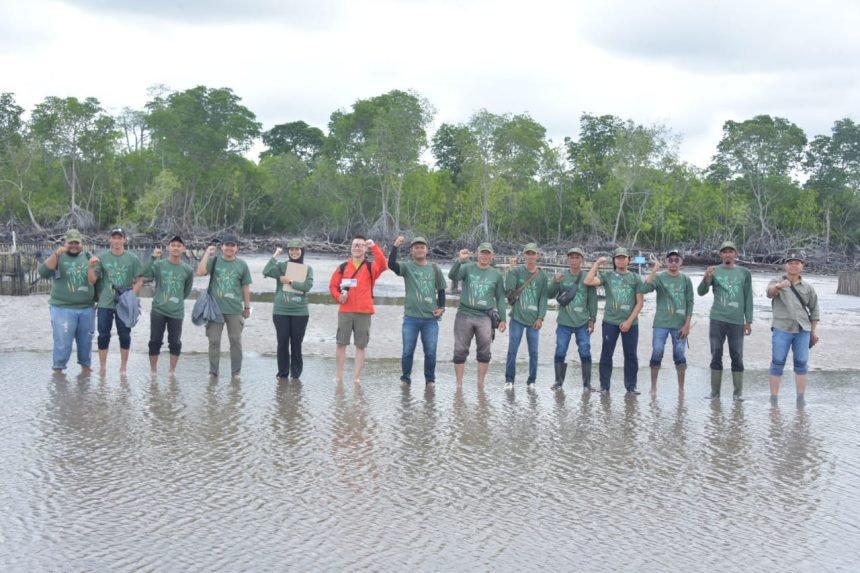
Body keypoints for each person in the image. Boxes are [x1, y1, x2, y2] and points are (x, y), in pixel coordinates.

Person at [583, 247, 645, 395]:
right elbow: (588, 280)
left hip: (631, 323)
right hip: (610, 321)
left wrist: (629, 321)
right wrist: (597, 265)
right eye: (618, 258)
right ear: (614, 260)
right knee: (606, 354)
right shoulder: (608, 276)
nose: (621, 260)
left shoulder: (635, 278)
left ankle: (631, 387)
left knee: (631, 355)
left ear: (629, 260)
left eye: (624, 257)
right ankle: (604, 386)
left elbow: (640, 303)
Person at [697, 240, 753, 400]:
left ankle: (738, 394)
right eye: (724, 252)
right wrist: (706, 277)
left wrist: (748, 320)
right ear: (720, 255)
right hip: (717, 319)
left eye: (731, 251)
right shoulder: (714, 270)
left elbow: (748, 298)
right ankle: (715, 393)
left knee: (737, 356)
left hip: (736, 322)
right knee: (716, 354)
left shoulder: (744, 273)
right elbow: (701, 292)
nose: (728, 254)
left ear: (736, 254)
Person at [329, 235, 388, 384]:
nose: (357, 248)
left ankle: (356, 378)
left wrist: (374, 246)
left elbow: (383, 264)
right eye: (355, 245)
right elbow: (332, 286)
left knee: (361, 345)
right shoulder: (343, 267)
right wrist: (338, 297)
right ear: (351, 247)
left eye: (361, 245)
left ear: (365, 249)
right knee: (341, 343)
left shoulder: (370, 267)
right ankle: (339, 377)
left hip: (364, 311)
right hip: (345, 311)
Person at [389, 236, 446, 387]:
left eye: (422, 247)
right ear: (411, 251)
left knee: (431, 352)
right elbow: (391, 265)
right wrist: (395, 246)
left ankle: (430, 380)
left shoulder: (434, 268)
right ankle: (405, 378)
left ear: (427, 250)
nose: (419, 250)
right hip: (411, 318)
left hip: (430, 319)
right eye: (416, 247)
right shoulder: (407, 267)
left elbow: (441, 289)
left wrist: (442, 307)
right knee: (408, 351)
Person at [38, 229, 96, 373]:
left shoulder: (89, 257)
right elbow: (43, 273)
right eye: (71, 243)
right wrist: (56, 255)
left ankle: (85, 370)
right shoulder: (58, 257)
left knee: (86, 343)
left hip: (87, 308)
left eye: (77, 242)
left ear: (82, 244)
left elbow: (97, 282)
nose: (74, 245)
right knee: (63, 343)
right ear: (65, 243)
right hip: (62, 308)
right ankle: (58, 371)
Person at [448, 243, 507, 386]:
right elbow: (453, 276)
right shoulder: (467, 268)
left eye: (488, 253)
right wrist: (459, 261)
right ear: (477, 254)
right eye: (482, 253)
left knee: (484, 351)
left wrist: (503, 319)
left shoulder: (496, 275)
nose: (485, 256)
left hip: (485, 316)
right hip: (464, 313)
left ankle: (480, 384)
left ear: (492, 256)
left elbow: (500, 298)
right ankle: (459, 384)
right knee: (460, 350)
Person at [87, 227, 143, 374]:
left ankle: (123, 367)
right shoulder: (102, 258)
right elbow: (92, 280)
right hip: (105, 303)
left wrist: (130, 297)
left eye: (120, 238)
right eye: (114, 237)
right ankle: (103, 367)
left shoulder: (132, 258)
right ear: (109, 239)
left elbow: (139, 281)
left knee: (124, 334)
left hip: (124, 303)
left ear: (125, 239)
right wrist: (90, 267)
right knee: (103, 334)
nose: (117, 241)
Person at [196, 234, 252, 379]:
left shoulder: (242, 265)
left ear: (237, 248)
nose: (229, 248)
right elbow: (200, 272)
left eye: (232, 245)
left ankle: (236, 373)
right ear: (222, 247)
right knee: (214, 341)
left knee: (235, 341)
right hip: (215, 310)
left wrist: (247, 307)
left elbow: (245, 286)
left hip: (234, 310)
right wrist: (207, 253)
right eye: (227, 245)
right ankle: (213, 372)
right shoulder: (214, 261)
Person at [766, 254, 820, 406]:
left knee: (801, 363)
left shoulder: (808, 288)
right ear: (785, 266)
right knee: (777, 363)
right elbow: (769, 293)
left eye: (797, 263)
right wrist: (779, 286)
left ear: (802, 266)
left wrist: (813, 332)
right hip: (782, 328)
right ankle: (774, 398)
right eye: (790, 263)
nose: (794, 265)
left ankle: (801, 399)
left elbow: (815, 310)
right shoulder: (776, 281)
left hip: (803, 330)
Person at [642, 249, 694, 396]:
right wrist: (654, 271)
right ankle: (653, 387)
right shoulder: (660, 278)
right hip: (661, 323)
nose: (673, 263)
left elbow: (690, 303)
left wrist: (687, 325)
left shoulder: (685, 280)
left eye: (676, 260)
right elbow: (644, 288)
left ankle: (681, 389)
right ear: (666, 262)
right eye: (670, 260)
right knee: (657, 352)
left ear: (681, 263)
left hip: (679, 325)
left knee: (680, 355)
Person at [547, 247, 597, 391]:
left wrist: (592, 319)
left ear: (582, 260)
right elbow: (549, 295)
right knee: (561, 350)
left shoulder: (588, 277)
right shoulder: (562, 275)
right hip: (564, 322)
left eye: (577, 257)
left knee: (585, 351)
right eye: (572, 257)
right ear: (568, 259)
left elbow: (592, 300)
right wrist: (555, 282)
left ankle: (587, 384)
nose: (574, 260)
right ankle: (558, 382)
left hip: (582, 322)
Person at [263, 239, 314, 380]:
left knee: (296, 343)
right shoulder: (281, 266)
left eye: (297, 249)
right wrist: (275, 255)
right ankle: (283, 374)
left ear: (302, 251)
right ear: (288, 251)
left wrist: (290, 282)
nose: (294, 252)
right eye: (291, 249)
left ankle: (296, 375)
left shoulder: (307, 268)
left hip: (300, 312)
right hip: (280, 311)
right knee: (282, 342)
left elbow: (307, 287)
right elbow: (266, 271)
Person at [143, 236, 194, 375]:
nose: (176, 248)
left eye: (179, 245)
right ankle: (153, 370)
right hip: (158, 309)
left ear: (183, 249)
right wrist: (153, 257)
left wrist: (175, 300)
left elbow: (186, 291)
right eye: (173, 245)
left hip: (176, 312)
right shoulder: (159, 265)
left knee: (175, 342)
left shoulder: (187, 270)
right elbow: (146, 274)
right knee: (155, 341)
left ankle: (172, 370)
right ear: (168, 248)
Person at [503, 243, 548, 390]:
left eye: (533, 254)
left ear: (537, 256)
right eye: (528, 253)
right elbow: (509, 290)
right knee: (512, 350)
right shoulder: (517, 271)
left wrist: (540, 317)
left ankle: (532, 381)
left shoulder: (542, 275)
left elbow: (543, 298)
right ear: (524, 255)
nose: (530, 256)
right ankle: (509, 380)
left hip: (533, 321)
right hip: (517, 318)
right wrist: (510, 269)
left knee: (533, 352)